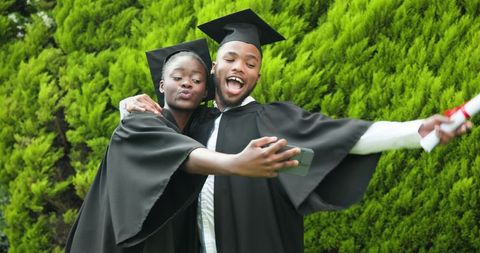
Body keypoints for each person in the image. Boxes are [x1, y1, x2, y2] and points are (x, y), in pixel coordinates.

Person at [120, 9, 473, 253]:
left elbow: (340, 139)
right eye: (230, 58)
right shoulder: (195, 122)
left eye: (250, 62)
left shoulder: (273, 121)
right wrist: (127, 107)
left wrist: (415, 130)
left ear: (258, 74)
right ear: (214, 67)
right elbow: (147, 152)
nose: (239, 67)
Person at [65, 39, 300, 253]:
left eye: (197, 80)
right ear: (161, 85)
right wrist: (236, 163)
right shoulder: (138, 123)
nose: (187, 84)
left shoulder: (200, 130)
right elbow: (180, 154)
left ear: (205, 92)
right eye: (177, 78)